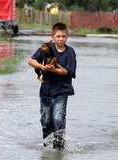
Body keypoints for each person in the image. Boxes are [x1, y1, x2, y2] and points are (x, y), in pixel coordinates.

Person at [28, 22, 77, 150]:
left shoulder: (70, 52)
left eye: (64, 36)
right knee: (46, 120)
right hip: (45, 91)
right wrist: (41, 66)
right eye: (58, 36)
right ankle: (47, 146)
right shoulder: (46, 48)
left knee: (57, 119)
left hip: (62, 91)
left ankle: (59, 148)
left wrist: (53, 70)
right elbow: (30, 61)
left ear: (67, 36)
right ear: (53, 36)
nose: (61, 39)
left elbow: (68, 71)